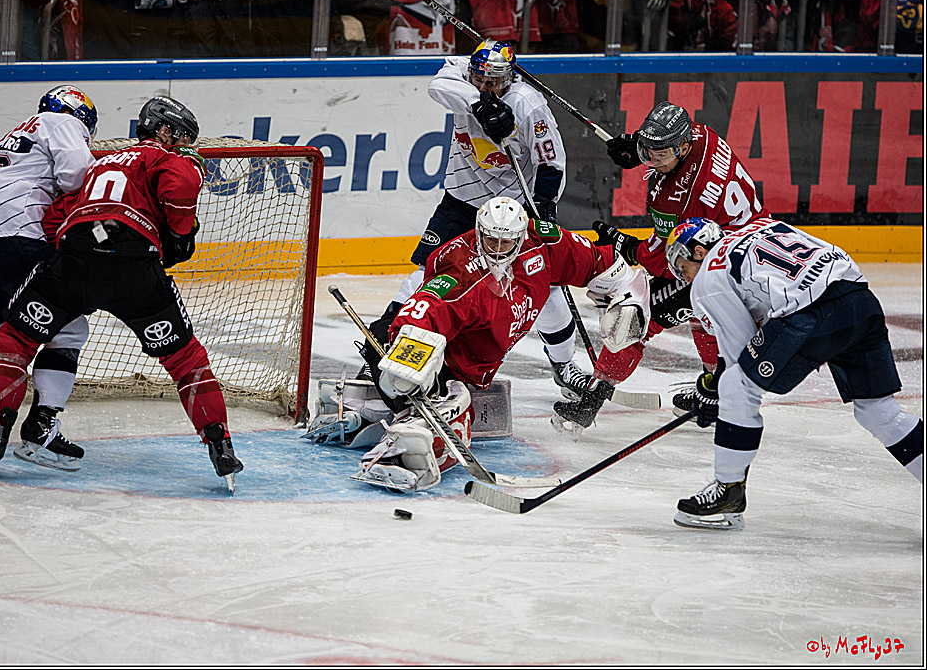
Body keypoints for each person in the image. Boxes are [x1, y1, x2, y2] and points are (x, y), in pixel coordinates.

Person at [0, 96, 245, 493]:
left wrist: (69, 262)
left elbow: (55, 216)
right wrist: (178, 235)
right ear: (160, 131)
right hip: (134, 265)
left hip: (75, 258)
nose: (184, 144)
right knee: (184, 358)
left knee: (15, 338)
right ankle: (220, 446)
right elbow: (180, 187)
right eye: (179, 136)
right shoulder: (165, 158)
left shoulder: (99, 164)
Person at [348, 196, 650, 491]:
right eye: (490, 240)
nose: (496, 249)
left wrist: (627, 296)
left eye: (506, 242)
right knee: (382, 336)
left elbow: (600, 262)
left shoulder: (543, 244)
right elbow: (426, 308)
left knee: (555, 308)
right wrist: (406, 365)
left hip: (480, 359)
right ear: (478, 231)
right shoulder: (462, 267)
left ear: (520, 237)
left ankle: (424, 408)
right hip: (450, 356)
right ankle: (417, 403)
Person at [364, 39, 592, 406]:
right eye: (480, 78)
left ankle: (565, 368)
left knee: (544, 284)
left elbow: (551, 162)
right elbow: (437, 85)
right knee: (429, 271)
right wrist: (480, 104)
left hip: (510, 212)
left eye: (494, 82)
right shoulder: (461, 77)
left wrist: (544, 206)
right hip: (461, 201)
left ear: (510, 78)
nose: (486, 85)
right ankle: (386, 340)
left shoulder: (527, 105)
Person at [665, 217, 923, 530]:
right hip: (859, 298)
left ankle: (729, 488)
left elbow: (740, 357)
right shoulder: (758, 227)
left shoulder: (708, 276)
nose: (683, 276)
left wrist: (719, 398)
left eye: (681, 265)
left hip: (813, 314)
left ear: (699, 250)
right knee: (879, 413)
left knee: (737, 385)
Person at [555, 100, 770, 429]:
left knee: (637, 315)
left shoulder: (679, 198)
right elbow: (663, 149)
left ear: (683, 148)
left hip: (723, 267)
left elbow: (666, 263)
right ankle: (718, 391)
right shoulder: (702, 135)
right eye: (648, 148)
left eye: (660, 153)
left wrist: (625, 245)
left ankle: (593, 400)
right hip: (748, 245)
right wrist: (637, 143)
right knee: (703, 316)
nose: (651, 159)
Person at [0, 85, 99, 473]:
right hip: (18, 235)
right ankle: (40, 431)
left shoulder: (14, 135)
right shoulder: (61, 121)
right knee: (70, 328)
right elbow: (76, 174)